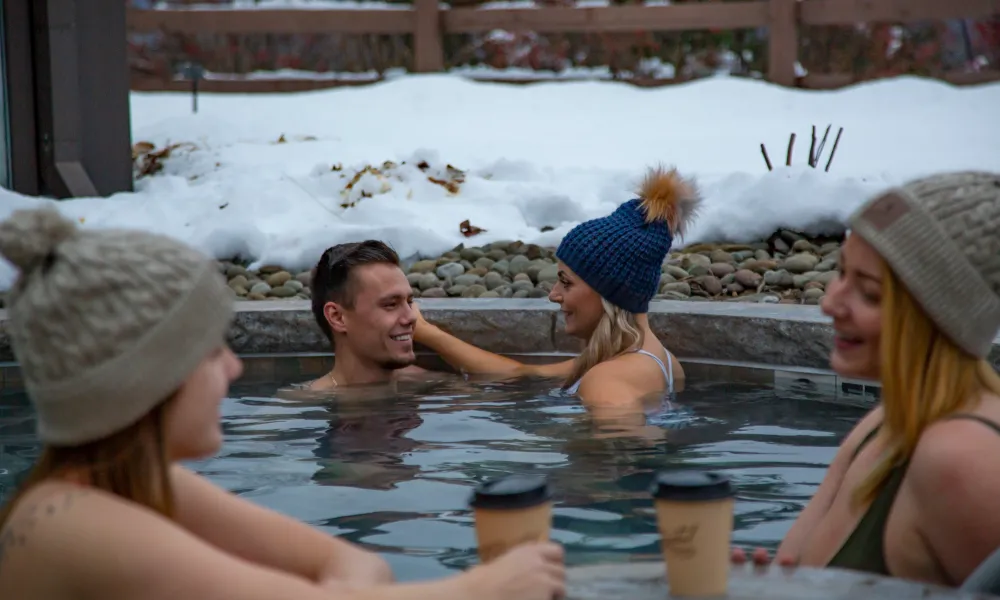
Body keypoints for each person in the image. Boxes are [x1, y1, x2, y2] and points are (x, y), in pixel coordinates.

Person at [0, 207, 565, 600]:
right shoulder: (76, 528)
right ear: (143, 374)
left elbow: (353, 562)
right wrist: (481, 587)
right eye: (207, 348)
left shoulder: (124, 480)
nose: (234, 366)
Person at [732, 171, 1000, 587]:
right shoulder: (883, 424)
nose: (829, 303)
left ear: (941, 317)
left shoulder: (963, 461)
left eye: (870, 293)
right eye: (841, 273)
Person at [412, 165, 701, 413]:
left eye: (566, 282)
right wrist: (424, 332)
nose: (553, 294)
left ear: (609, 293)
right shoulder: (662, 362)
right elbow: (522, 375)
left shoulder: (607, 381)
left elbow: (618, 466)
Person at [302, 240, 428, 391]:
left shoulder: (428, 382)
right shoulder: (304, 405)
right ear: (337, 317)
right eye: (391, 305)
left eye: (409, 302)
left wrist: (429, 331)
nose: (411, 317)